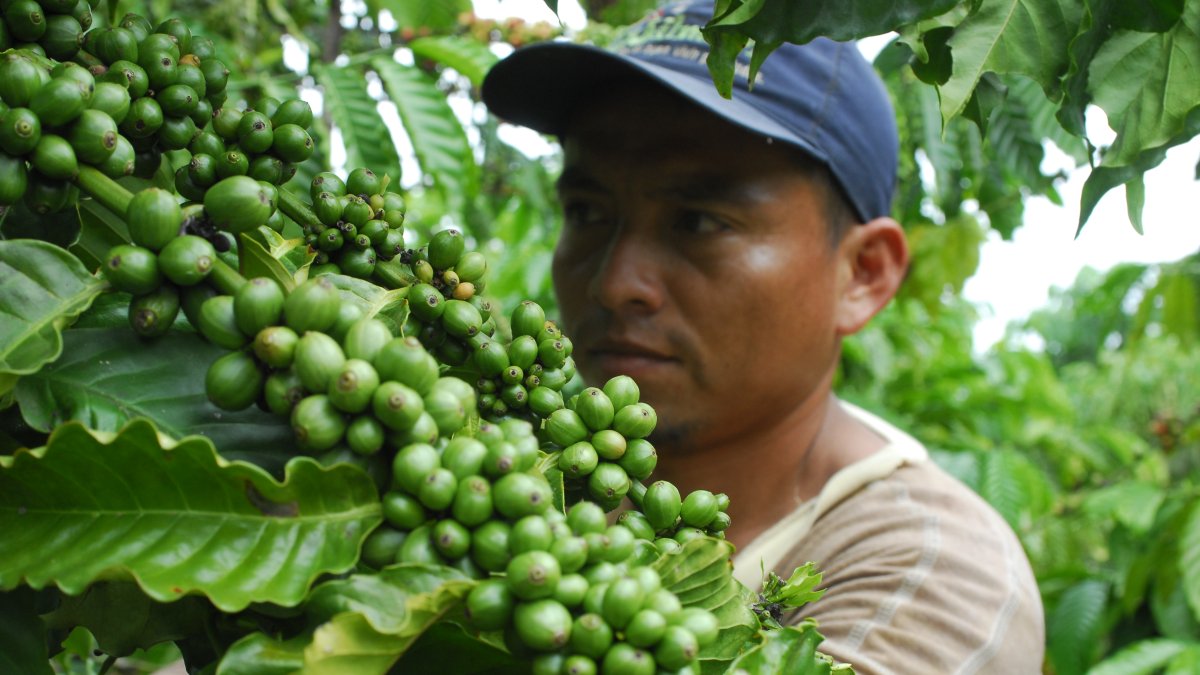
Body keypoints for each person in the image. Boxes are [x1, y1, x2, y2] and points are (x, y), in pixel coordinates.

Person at [481, 1, 1045, 672]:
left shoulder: (934, 575)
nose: (615, 283)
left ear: (861, 274)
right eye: (587, 211)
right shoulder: (516, 471)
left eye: (698, 221)